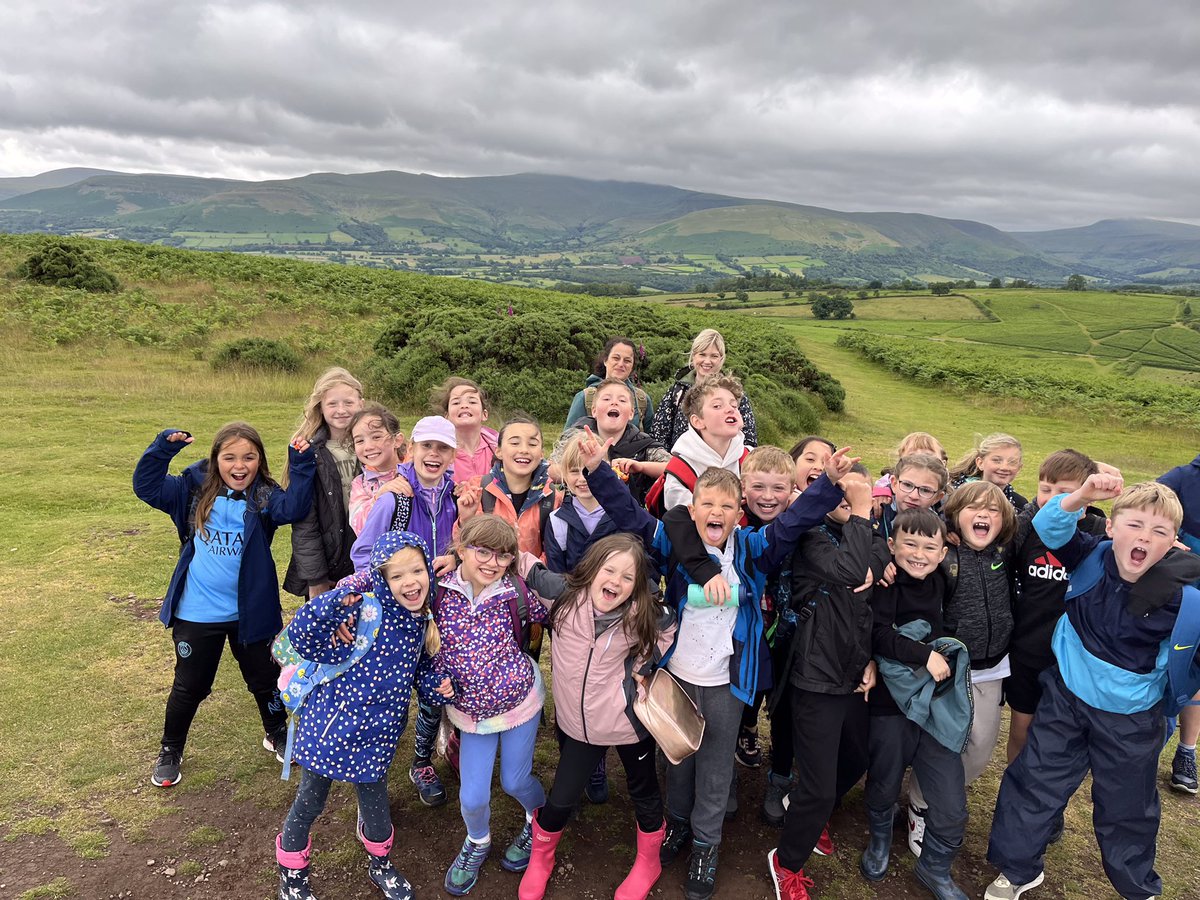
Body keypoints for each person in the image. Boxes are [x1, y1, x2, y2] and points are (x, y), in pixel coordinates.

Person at [580, 428, 852, 900]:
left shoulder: (751, 548)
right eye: (708, 504)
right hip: (679, 675)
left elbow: (791, 525)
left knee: (715, 766)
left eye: (727, 507)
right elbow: (627, 514)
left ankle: (707, 843)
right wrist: (598, 470)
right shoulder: (673, 543)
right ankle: (678, 824)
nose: (717, 513)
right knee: (679, 757)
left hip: (728, 680)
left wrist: (826, 483)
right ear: (693, 507)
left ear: (737, 513)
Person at [986, 478, 1200, 900]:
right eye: (1135, 525)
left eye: (1159, 532)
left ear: (1175, 544)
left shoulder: (1183, 597)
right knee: (1034, 783)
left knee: (1127, 809)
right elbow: (1049, 527)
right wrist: (1082, 495)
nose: (1144, 537)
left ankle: (1137, 888)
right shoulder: (1088, 554)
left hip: (1131, 720)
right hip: (1065, 700)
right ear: (1110, 528)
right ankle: (1019, 869)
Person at [133, 424, 315, 787]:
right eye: (229, 457)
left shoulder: (263, 495)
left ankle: (276, 732)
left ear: (259, 460)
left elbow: (294, 507)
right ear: (215, 459)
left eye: (249, 457)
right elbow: (147, 486)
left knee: (265, 680)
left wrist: (300, 461)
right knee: (190, 685)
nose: (239, 465)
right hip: (196, 613)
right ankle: (171, 749)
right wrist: (161, 449)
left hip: (251, 613)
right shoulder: (191, 490)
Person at [274, 531, 453, 900]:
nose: (410, 582)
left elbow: (417, 671)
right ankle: (291, 872)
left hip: (379, 735)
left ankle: (380, 863)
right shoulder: (362, 611)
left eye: (417, 570)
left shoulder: (420, 622)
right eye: (397, 575)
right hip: (330, 727)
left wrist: (437, 687)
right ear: (383, 581)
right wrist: (336, 603)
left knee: (376, 807)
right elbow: (305, 636)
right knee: (310, 800)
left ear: (428, 573)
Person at [516, 534, 678, 900]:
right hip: (578, 727)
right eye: (609, 570)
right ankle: (541, 859)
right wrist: (459, 557)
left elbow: (668, 628)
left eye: (627, 577)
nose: (616, 582)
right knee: (561, 798)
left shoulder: (644, 611)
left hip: (627, 724)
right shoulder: (562, 595)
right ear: (591, 570)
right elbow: (525, 564)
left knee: (645, 791)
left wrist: (647, 664)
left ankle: (648, 862)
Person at [840, 508, 972, 900]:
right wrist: (922, 655)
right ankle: (879, 841)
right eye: (909, 544)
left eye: (929, 546)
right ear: (892, 545)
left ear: (941, 551)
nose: (919, 553)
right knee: (884, 777)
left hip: (933, 705)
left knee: (951, 802)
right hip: (889, 703)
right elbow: (877, 635)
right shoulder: (884, 584)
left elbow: (943, 625)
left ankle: (935, 868)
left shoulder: (942, 581)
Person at [767, 466, 888, 896]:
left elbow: (872, 569)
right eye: (838, 495)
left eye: (854, 495)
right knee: (817, 789)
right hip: (816, 676)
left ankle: (810, 811)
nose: (846, 501)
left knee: (857, 757)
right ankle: (786, 862)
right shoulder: (810, 538)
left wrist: (871, 659)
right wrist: (859, 513)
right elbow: (855, 573)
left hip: (853, 671)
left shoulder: (866, 534)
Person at [436, 515, 551, 896]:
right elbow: (394, 589)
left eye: (502, 556)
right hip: (471, 715)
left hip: (519, 702)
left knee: (516, 780)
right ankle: (477, 841)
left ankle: (540, 823)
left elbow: (562, 612)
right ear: (461, 549)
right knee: (472, 797)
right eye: (481, 551)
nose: (490, 562)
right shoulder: (438, 592)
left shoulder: (516, 590)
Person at [351, 415, 460, 808]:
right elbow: (363, 554)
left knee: (433, 690)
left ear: (453, 454)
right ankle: (371, 766)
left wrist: (453, 556)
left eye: (442, 448)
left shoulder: (457, 497)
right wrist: (390, 590)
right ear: (409, 448)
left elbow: (466, 545)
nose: (433, 455)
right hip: (394, 617)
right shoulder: (395, 497)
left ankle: (421, 762)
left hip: (437, 612)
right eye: (426, 446)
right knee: (390, 694)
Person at [907, 480, 1016, 856]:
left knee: (980, 749)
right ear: (954, 516)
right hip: (950, 672)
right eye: (973, 508)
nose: (983, 515)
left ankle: (941, 795)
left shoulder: (1006, 550)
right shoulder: (943, 556)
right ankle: (920, 804)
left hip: (990, 669)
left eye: (993, 510)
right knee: (942, 744)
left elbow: (1042, 521)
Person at [1006, 450, 1108, 764]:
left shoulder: (1099, 534)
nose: (1051, 498)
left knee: (1056, 735)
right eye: (1045, 489)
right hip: (1027, 649)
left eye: (1064, 492)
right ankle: (1014, 792)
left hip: (1072, 660)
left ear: (1086, 496)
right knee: (1021, 728)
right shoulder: (1027, 529)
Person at [283, 367, 365, 598]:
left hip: (368, 563)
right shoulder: (308, 453)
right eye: (332, 404)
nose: (341, 410)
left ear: (361, 403)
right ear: (320, 407)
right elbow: (304, 523)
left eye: (348, 403)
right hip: (328, 567)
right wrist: (316, 579)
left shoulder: (375, 448)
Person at [1158, 452, 1200, 795]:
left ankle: (1187, 752)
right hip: (1182, 581)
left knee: (1198, 666)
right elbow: (1149, 503)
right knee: (1174, 655)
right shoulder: (1184, 475)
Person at [567, 377, 668, 506]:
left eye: (622, 400)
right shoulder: (575, 438)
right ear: (594, 411)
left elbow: (675, 468)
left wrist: (641, 467)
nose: (614, 403)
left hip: (628, 517)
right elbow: (551, 468)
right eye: (606, 399)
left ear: (631, 413)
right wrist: (587, 469)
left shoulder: (643, 444)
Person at [651, 329, 757, 451]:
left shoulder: (735, 394)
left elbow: (749, 440)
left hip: (724, 467)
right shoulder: (677, 391)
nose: (707, 361)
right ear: (693, 355)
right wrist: (673, 466)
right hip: (683, 466)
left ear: (721, 359)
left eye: (714, 356)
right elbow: (658, 436)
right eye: (702, 354)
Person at [660, 373, 750, 511]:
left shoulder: (752, 459)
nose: (730, 409)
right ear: (697, 421)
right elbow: (681, 520)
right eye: (717, 406)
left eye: (734, 405)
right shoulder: (680, 470)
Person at [564, 336, 655, 433]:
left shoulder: (642, 400)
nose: (621, 364)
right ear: (605, 360)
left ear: (632, 366)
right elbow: (567, 439)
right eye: (616, 358)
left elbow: (651, 439)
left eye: (627, 361)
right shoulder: (585, 397)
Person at [347, 404, 407, 535]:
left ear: (397, 440)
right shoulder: (360, 484)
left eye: (376, 437)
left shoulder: (416, 473)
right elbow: (359, 527)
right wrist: (379, 496)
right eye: (360, 441)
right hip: (379, 554)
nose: (368, 446)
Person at [432, 377, 499, 484]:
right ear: (446, 417)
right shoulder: (434, 451)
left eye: (472, 402)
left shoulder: (500, 448)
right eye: (456, 403)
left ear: (484, 414)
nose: (464, 406)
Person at [875, 452, 949, 541]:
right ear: (894, 484)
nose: (914, 496)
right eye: (907, 485)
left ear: (937, 497)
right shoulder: (874, 512)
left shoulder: (938, 529)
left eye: (925, 490)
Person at [948, 433, 1026, 511]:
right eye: (996, 460)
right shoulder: (955, 495)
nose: (1004, 467)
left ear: (1019, 468)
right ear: (980, 463)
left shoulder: (1019, 505)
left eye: (1012, 462)